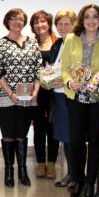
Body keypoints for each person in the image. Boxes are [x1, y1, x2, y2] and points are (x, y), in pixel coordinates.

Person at [61, 4, 99, 197]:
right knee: (76, 141)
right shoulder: (71, 39)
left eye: (95, 17)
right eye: (87, 17)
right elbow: (65, 67)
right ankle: (78, 180)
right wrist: (69, 82)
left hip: (96, 100)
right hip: (75, 98)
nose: (91, 21)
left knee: (94, 141)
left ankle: (91, 183)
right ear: (81, 20)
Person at [0, 8, 42, 187]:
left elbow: (38, 70)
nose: (16, 22)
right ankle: (9, 171)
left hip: (28, 97)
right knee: (8, 134)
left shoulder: (32, 43)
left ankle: (22, 170)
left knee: (22, 133)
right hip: (7, 96)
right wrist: (11, 93)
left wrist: (36, 91)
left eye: (20, 19)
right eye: (13, 19)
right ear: (7, 22)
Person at [48, 9, 78, 189]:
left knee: (73, 139)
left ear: (74, 25)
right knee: (65, 139)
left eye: (67, 23)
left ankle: (76, 175)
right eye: (60, 24)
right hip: (58, 98)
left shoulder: (77, 44)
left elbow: (79, 71)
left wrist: (64, 82)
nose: (63, 27)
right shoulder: (58, 44)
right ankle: (71, 174)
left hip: (71, 98)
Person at [30, 10, 59, 179]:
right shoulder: (31, 44)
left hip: (55, 91)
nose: (39, 25)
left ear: (49, 24)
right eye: (36, 23)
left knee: (53, 128)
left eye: (42, 22)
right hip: (37, 92)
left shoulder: (59, 43)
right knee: (39, 128)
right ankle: (41, 163)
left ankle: (53, 163)